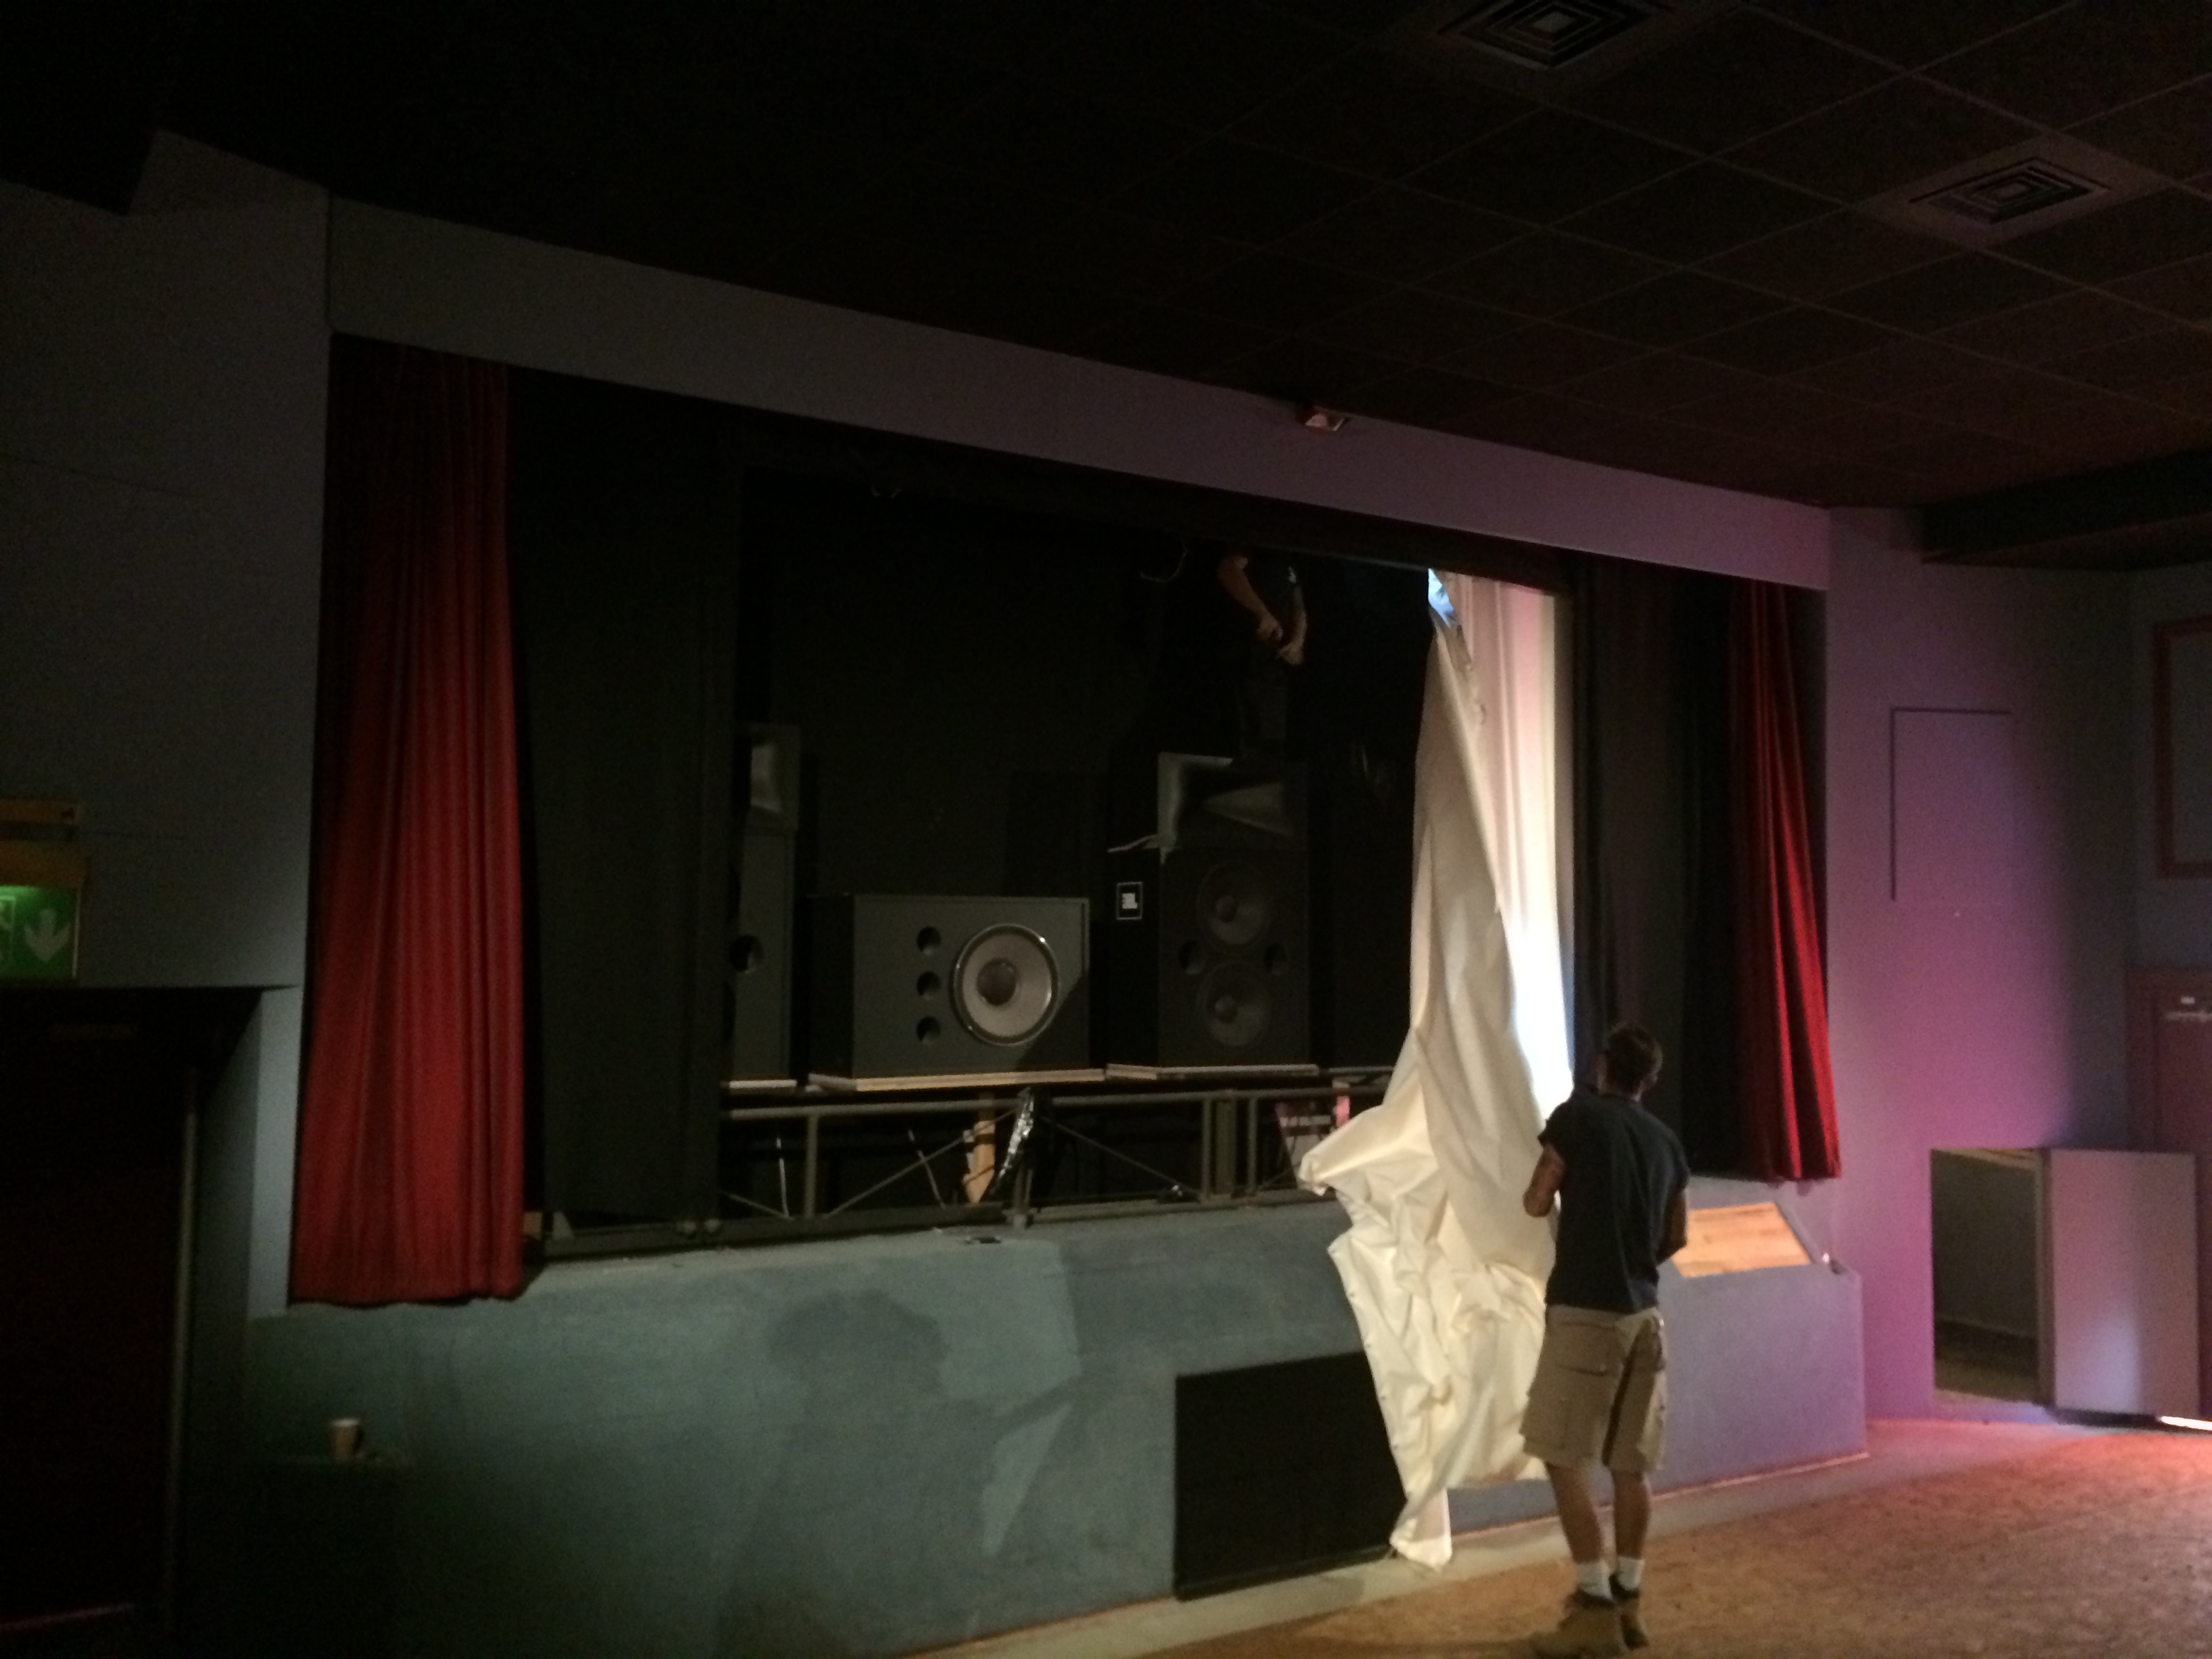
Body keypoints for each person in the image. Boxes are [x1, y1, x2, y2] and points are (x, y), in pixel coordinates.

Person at [1518, 1023, 1690, 1657]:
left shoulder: (1578, 1118)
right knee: (1630, 1466)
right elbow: (1677, 1235)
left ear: (1601, 1065)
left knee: (1563, 1458)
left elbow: (1537, 1201)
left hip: (1586, 1315)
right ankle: (1629, 1598)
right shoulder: (1666, 1141)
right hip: (1646, 1317)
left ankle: (1592, 1608)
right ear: (1650, 1079)